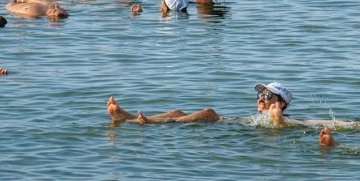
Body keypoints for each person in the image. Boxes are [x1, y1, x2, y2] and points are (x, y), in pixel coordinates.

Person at [106, 81, 295, 126]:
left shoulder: (285, 118)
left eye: (268, 95)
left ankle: (151, 122)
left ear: (282, 104)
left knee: (209, 112)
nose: (262, 98)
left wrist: (278, 121)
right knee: (177, 110)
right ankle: (129, 117)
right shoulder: (262, 115)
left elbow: (295, 126)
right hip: (235, 122)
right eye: (260, 94)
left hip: (230, 126)